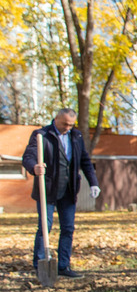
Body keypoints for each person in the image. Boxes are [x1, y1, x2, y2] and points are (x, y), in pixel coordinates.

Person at [21, 108, 101, 278]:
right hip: (47, 190)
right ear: (56, 119)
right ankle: (40, 265)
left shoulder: (76, 136)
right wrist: (33, 167)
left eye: (71, 125)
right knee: (45, 227)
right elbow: (28, 156)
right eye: (65, 124)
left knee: (68, 228)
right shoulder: (42, 135)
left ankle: (63, 266)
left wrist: (93, 182)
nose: (68, 127)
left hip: (69, 190)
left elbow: (85, 161)